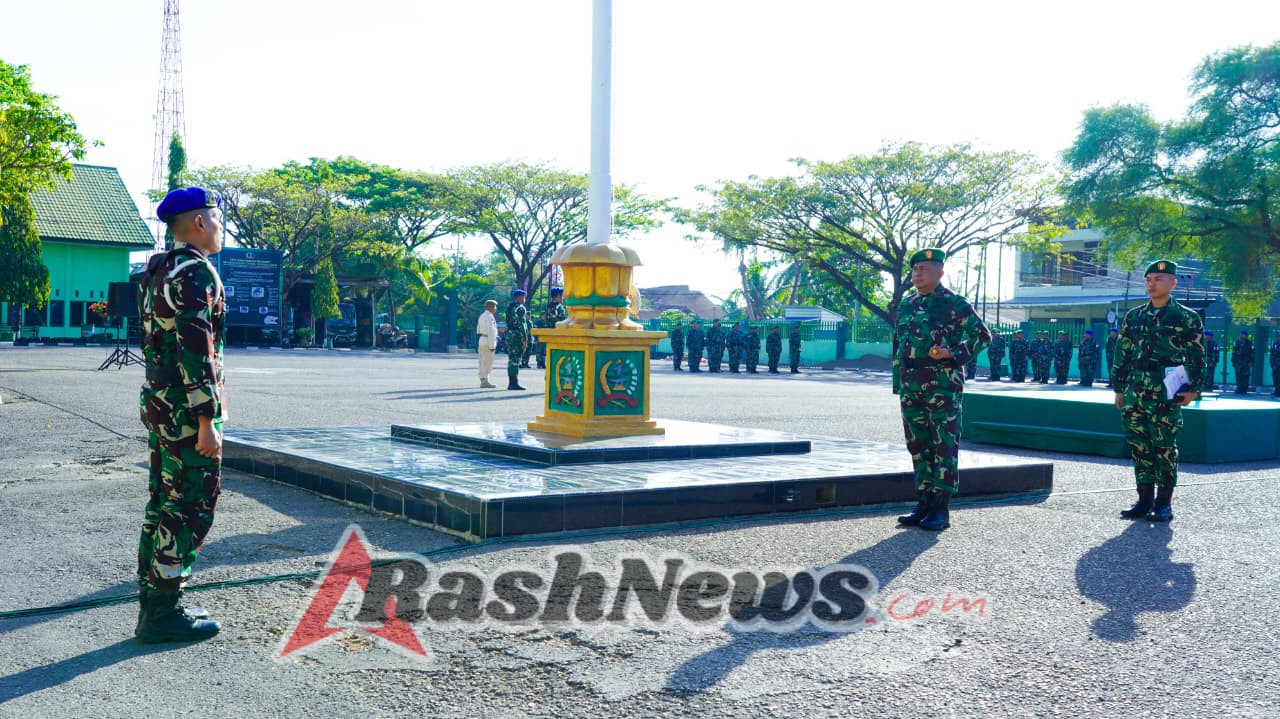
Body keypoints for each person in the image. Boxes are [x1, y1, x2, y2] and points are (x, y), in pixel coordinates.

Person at [134, 186, 227, 643]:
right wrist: (208, 419)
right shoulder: (194, 273)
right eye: (216, 218)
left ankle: (154, 602)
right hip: (188, 413)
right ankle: (163, 613)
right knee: (192, 504)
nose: (220, 227)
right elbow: (197, 348)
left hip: (161, 404)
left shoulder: (158, 269)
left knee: (163, 501)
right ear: (198, 222)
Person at [893, 248, 991, 532]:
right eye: (915, 269)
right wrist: (898, 384)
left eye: (924, 268)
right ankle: (923, 502)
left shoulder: (954, 303)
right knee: (918, 445)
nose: (918, 274)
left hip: (942, 385)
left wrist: (953, 353)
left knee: (943, 446)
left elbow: (982, 336)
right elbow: (899, 344)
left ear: (940, 273)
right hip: (911, 384)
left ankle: (941, 508)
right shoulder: (907, 304)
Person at [1112, 260, 1205, 523]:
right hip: (1136, 388)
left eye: (1159, 279)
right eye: (1149, 279)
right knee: (1139, 446)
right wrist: (1119, 388)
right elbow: (1122, 353)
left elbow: (1197, 356)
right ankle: (1144, 501)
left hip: (1167, 389)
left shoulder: (1187, 317)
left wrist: (1194, 389)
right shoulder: (1135, 316)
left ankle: (1163, 503)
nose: (1152, 284)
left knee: (1164, 446)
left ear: (1173, 283)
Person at [535, 287, 567, 370]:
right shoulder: (559, 307)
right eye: (561, 296)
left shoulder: (548, 306)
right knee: (558, 355)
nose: (562, 298)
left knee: (550, 354)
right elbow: (562, 320)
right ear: (557, 296)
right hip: (558, 334)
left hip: (550, 333)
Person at [505, 289, 530, 390]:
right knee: (516, 359)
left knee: (511, 358)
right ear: (518, 297)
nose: (524, 299)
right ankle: (513, 383)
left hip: (510, 334)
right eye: (523, 297)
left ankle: (512, 382)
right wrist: (525, 339)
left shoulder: (510, 307)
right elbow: (522, 325)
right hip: (517, 335)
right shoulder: (520, 308)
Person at [476, 300, 499, 388]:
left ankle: (483, 379)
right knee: (487, 361)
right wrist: (492, 345)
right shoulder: (489, 317)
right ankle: (485, 380)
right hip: (487, 340)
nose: (495, 309)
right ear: (490, 307)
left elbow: (478, 329)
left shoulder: (482, 315)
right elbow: (491, 331)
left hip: (482, 339)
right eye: (494, 306)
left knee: (482, 361)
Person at [1232, 330, 1253, 395]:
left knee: (1245, 376)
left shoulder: (1249, 343)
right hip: (1238, 362)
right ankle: (1239, 388)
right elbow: (1234, 352)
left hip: (1246, 362)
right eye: (1241, 334)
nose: (1242, 335)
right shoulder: (1237, 342)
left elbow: (1252, 353)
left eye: (1243, 334)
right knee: (1238, 375)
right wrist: (1233, 361)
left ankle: (1244, 389)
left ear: (1246, 335)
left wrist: (1251, 361)